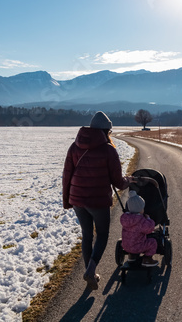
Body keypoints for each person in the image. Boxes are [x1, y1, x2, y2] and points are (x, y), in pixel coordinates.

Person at [63, 111, 134, 290]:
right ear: (106, 131)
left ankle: (90, 273)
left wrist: (67, 201)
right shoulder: (108, 150)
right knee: (101, 234)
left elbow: (67, 175)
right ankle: (91, 270)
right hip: (98, 201)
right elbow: (118, 182)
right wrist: (128, 181)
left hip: (77, 200)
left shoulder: (74, 146)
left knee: (87, 235)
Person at [120, 190, 159, 267]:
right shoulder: (141, 221)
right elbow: (150, 229)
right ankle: (147, 259)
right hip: (138, 247)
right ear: (141, 209)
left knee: (131, 240)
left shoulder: (125, 218)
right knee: (152, 242)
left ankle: (131, 256)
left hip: (126, 246)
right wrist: (148, 219)